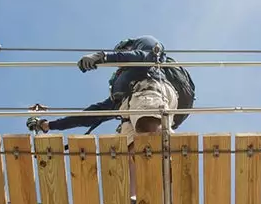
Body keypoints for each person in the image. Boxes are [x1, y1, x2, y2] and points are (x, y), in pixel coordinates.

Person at [26, 37, 195, 138]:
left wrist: (103, 57)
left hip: (149, 90)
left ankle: (169, 164)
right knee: (129, 143)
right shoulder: (119, 92)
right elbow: (91, 116)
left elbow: (148, 55)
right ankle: (134, 196)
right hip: (127, 108)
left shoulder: (142, 44)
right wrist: (49, 125)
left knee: (148, 123)